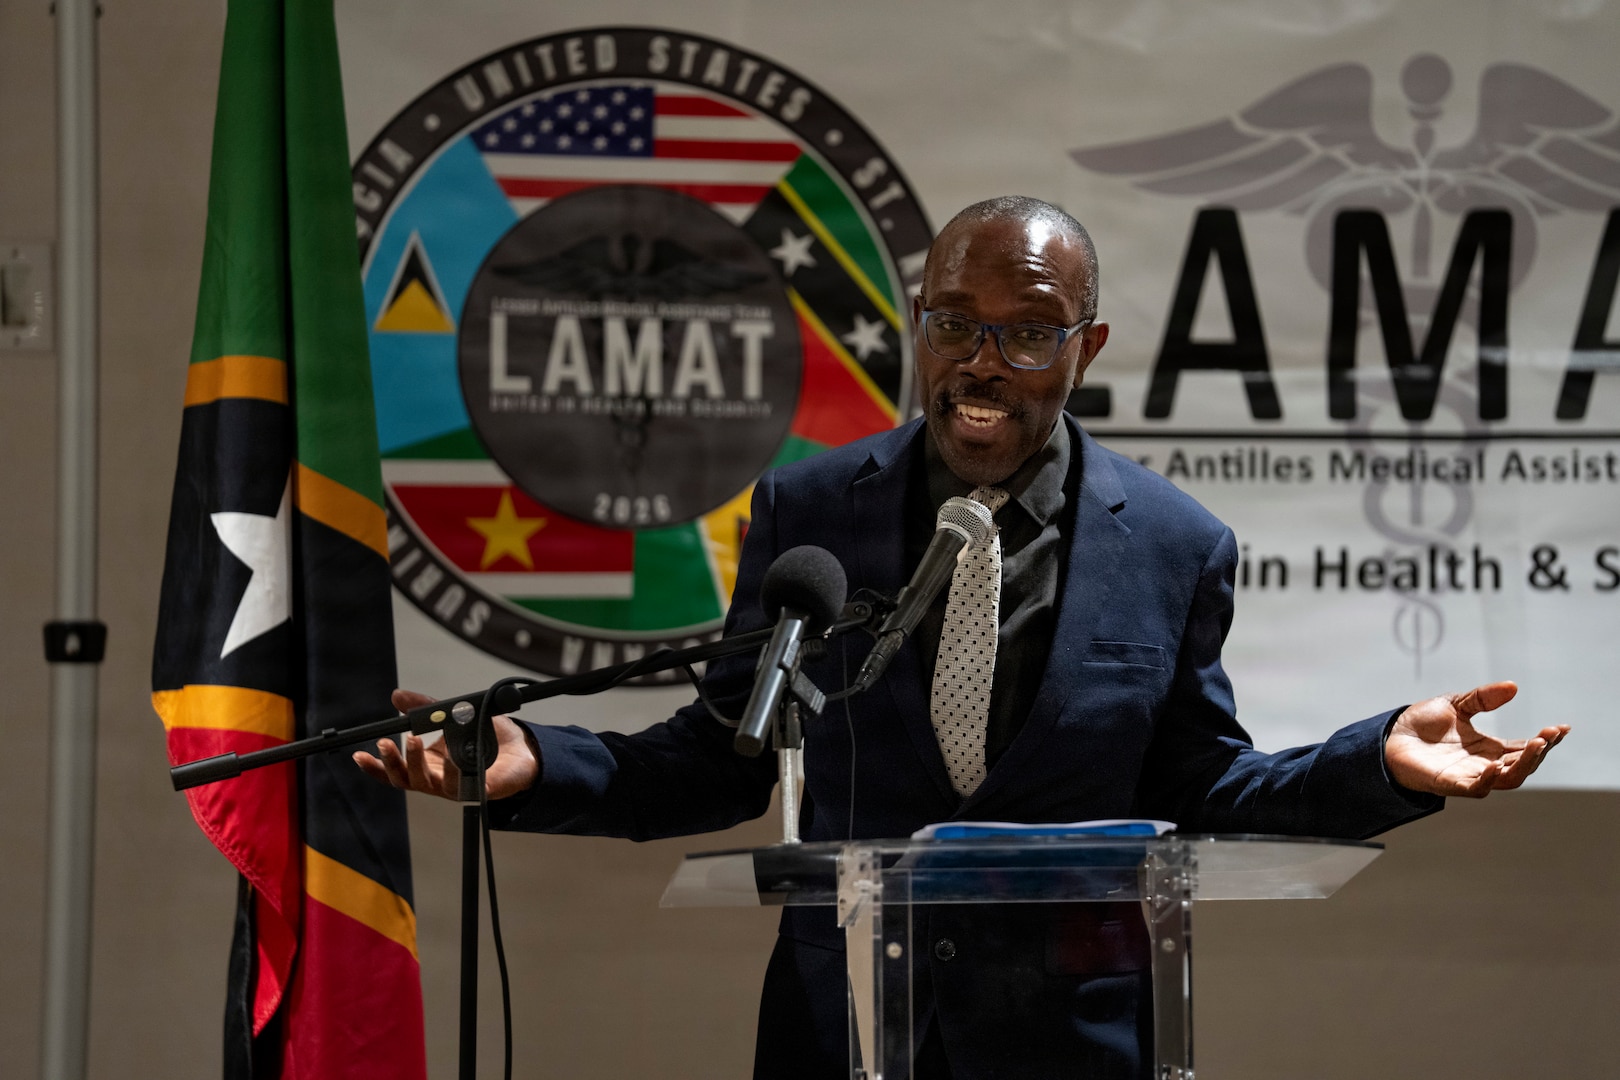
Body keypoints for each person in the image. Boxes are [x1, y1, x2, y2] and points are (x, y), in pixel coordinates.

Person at [356, 196, 1567, 1079]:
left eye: (1028, 332)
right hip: (844, 1035)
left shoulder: (1173, 547)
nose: (981, 362)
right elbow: (720, 754)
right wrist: (529, 762)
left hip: (1073, 1044)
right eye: (954, 323)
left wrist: (1385, 763)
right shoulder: (809, 515)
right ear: (916, 326)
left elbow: (1207, 785)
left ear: (1084, 350)